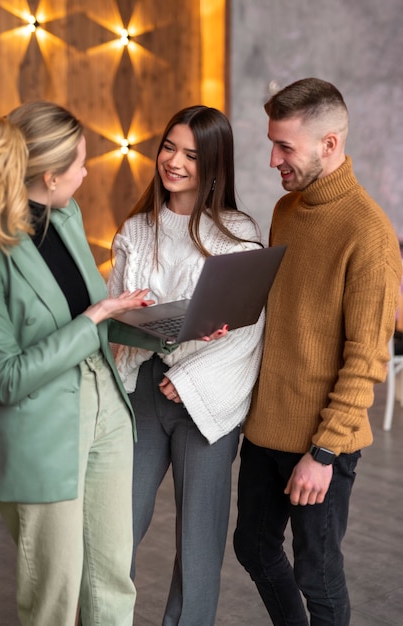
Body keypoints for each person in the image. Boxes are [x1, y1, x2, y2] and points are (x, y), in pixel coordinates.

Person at [233, 77, 402, 625]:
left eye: (285, 146)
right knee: (253, 548)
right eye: (271, 143)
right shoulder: (288, 210)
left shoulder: (369, 233)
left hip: (321, 442)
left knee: (318, 571)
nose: (272, 159)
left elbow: (366, 358)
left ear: (329, 144)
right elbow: (286, 312)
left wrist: (324, 453)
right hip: (266, 429)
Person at [0, 105, 159, 626]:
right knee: (53, 597)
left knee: (112, 579)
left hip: (106, 405)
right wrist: (97, 315)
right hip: (42, 432)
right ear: (50, 175)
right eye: (81, 164)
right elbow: (4, 379)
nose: (86, 173)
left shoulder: (65, 215)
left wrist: (169, 329)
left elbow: (92, 319)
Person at [108, 105, 264, 626]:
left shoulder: (239, 234)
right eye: (170, 148)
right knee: (115, 524)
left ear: (214, 163)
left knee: (199, 543)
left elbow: (249, 332)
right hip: (142, 390)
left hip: (207, 398)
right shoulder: (134, 230)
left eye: (192, 155)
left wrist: (191, 375)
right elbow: (114, 320)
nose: (174, 161)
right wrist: (129, 320)